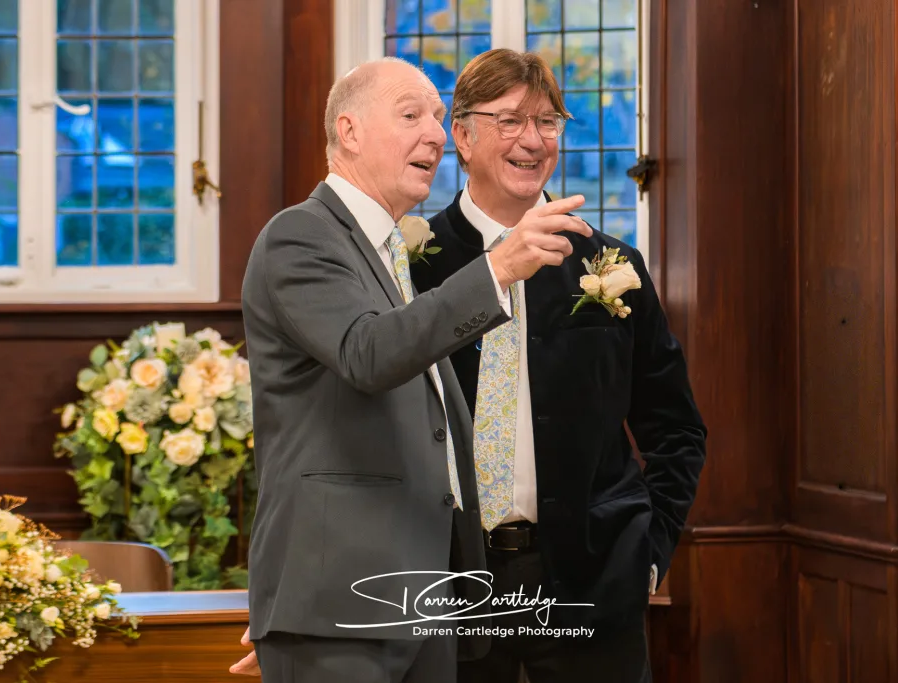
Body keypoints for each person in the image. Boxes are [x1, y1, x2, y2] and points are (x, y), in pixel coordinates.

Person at [236, 56, 592, 683]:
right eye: (411, 115)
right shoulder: (302, 234)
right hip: (339, 607)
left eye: (436, 115)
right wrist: (498, 270)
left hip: (421, 606)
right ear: (348, 132)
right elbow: (367, 353)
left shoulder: (389, 248)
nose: (434, 132)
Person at [406, 49, 708, 682]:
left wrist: (647, 554)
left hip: (591, 586)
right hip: (449, 587)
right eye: (511, 120)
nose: (533, 140)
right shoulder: (416, 267)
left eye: (548, 122)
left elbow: (676, 428)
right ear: (462, 136)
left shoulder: (611, 267)